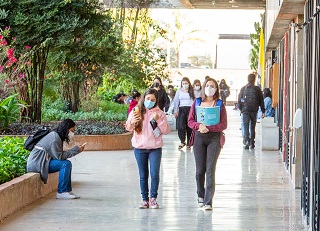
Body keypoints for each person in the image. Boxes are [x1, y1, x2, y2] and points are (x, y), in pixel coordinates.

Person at [126, 88, 171, 209]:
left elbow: (166, 130)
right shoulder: (136, 111)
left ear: (156, 101)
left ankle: (153, 199)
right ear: (143, 98)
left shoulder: (160, 113)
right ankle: (144, 199)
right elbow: (128, 127)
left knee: (155, 173)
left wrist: (159, 121)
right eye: (148, 99)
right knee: (143, 174)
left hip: (155, 148)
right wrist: (133, 122)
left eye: (153, 100)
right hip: (139, 148)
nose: (150, 101)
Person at [188, 77, 227, 210]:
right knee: (200, 170)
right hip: (199, 138)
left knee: (210, 170)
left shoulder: (220, 104)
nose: (209, 88)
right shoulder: (197, 102)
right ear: (204, 87)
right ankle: (200, 194)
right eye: (207, 86)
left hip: (214, 138)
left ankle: (208, 201)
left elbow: (223, 124)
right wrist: (199, 126)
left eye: (212, 86)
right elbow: (190, 121)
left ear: (216, 89)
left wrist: (209, 127)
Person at [27, 119, 86, 199]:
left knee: (67, 163)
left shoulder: (56, 135)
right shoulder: (54, 137)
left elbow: (58, 154)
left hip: (44, 161)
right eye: (72, 130)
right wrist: (76, 150)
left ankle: (67, 191)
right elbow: (59, 157)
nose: (73, 133)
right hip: (38, 164)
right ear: (66, 129)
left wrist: (75, 150)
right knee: (65, 164)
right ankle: (62, 192)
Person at [238, 73, 265, 149]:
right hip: (254, 110)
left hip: (245, 110)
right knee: (252, 126)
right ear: (254, 79)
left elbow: (239, 99)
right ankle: (252, 143)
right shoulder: (257, 89)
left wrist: (241, 109)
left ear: (247, 79)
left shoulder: (243, 88)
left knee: (246, 126)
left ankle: (247, 141)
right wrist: (263, 110)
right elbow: (261, 100)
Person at [173, 77, 195, 150]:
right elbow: (176, 101)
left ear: (189, 83)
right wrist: (175, 111)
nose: (185, 85)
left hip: (190, 109)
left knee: (189, 126)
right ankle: (182, 141)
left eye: (186, 83)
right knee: (181, 126)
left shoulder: (192, 91)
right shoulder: (179, 91)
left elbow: (195, 101)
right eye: (183, 84)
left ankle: (189, 143)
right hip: (182, 109)